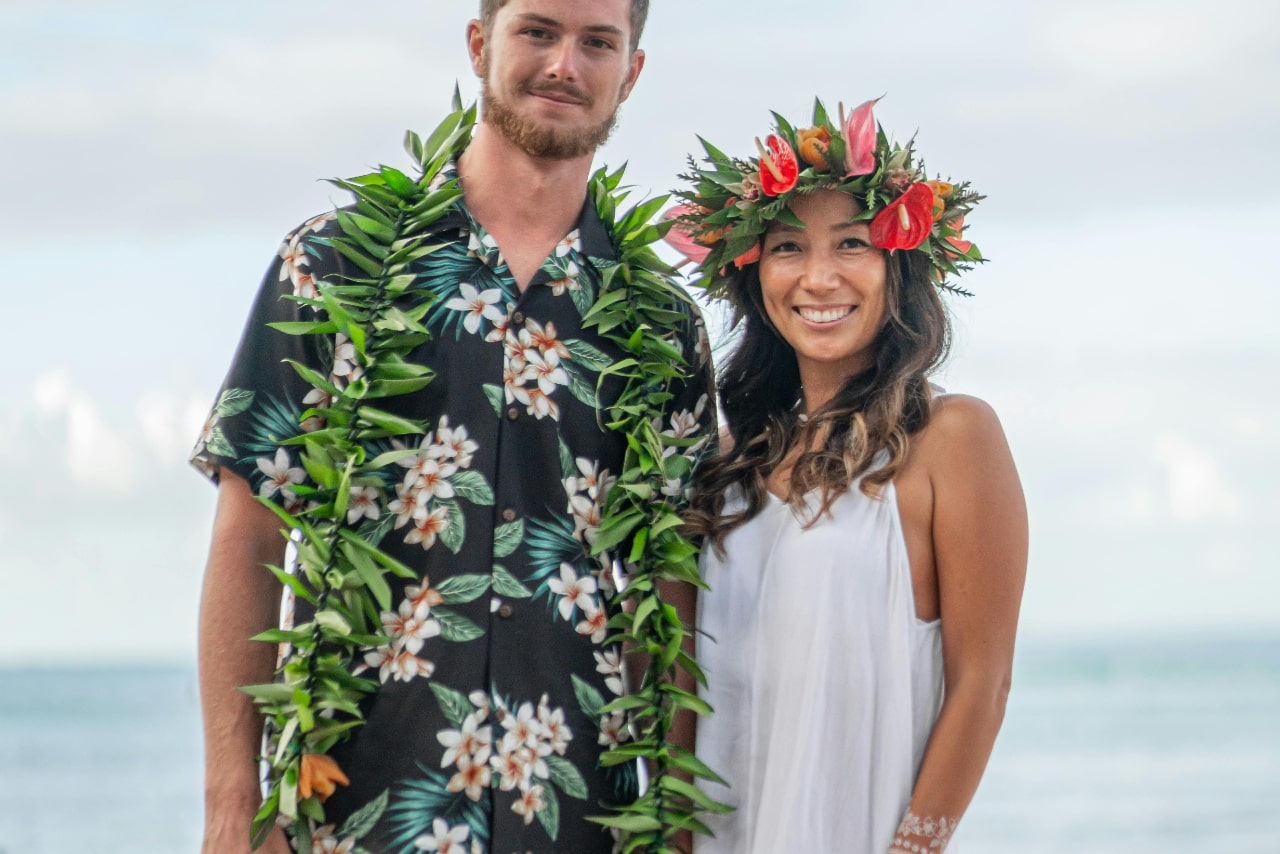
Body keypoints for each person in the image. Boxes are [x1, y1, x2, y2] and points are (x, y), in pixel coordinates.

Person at [191, 2, 716, 852]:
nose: (564, 65)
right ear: (481, 45)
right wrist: (231, 808)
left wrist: (678, 822)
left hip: (581, 809)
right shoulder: (331, 268)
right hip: (354, 801)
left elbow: (671, 583)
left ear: (633, 70)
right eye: (538, 32)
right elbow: (251, 532)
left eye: (597, 42)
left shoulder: (656, 323)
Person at [664, 98, 1028, 853]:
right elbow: (685, 705)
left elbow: (982, 687)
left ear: (901, 265)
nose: (819, 277)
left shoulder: (952, 438)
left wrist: (914, 848)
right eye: (788, 246)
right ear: (754, 273)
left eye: (852, 244)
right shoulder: (723, 467)